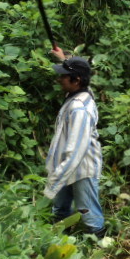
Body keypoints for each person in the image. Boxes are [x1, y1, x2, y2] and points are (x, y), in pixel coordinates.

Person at [44, 47, 105, 237]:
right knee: (60, 209)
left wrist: (54, 181)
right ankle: (61, 242)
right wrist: (63, 59)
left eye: (63, 76)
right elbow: (80, 71)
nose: (59, 79)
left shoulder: (79, 109)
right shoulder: (82, 92)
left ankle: (100, 245)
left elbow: (76, 152)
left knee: (89, 215)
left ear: (76, 80)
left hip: (80, 168)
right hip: (66, 165)